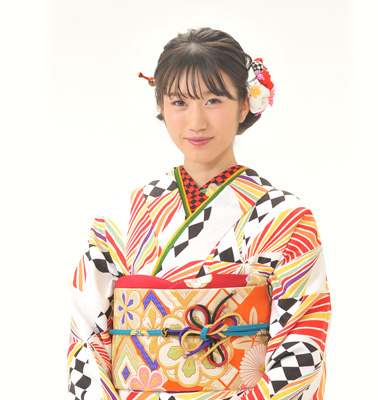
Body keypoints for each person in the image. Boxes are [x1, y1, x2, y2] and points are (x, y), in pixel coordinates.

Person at [67, 27, 331, 400]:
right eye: (179, 102)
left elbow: (302, 339)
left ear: (244, 104)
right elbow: (85, 333)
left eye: (213, 100)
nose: (196, 122)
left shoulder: (285, 219)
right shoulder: (119, 217)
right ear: (161, 106)